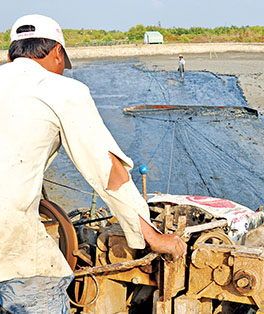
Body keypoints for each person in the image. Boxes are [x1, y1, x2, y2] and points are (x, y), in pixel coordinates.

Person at [0, 15, 187, 313]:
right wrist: (152, 236)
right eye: (63, 62)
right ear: (57, 52)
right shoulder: (63, 90)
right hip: (11, 248)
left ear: (12, 55)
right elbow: (108, 171)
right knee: (39, 283)